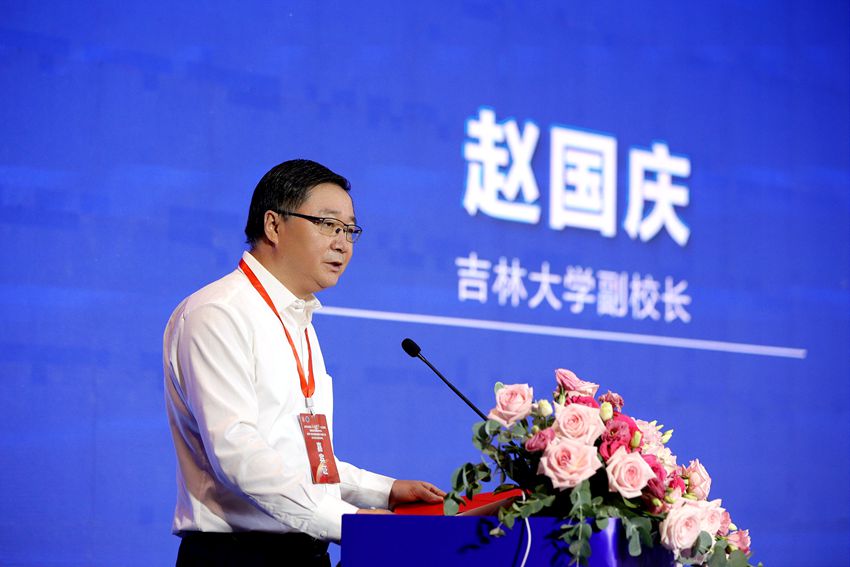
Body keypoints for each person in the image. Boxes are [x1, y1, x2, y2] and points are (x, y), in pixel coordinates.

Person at [163, 159, 445, 566]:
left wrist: (383, 491)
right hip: (238, 557)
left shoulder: (298, 319)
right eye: (328, 225)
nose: (343, 243)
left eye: (350, 230)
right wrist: (348, 521)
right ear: (273, 225)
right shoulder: (218, 312)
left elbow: (303, 462)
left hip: (306, 551)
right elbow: (237, 454)